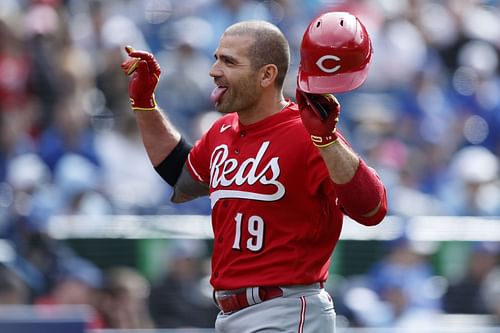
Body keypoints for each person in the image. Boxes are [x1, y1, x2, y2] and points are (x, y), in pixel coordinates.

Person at [121, 12, 387, 333]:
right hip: (230, 314)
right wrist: (145, 104)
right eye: (217, 58)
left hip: (286, 310)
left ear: (266, 75)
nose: (214, 71)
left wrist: (326, 140)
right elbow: (181, 176)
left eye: (229, 63)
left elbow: (372, 209)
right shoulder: (222, 132)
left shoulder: (308, 133)